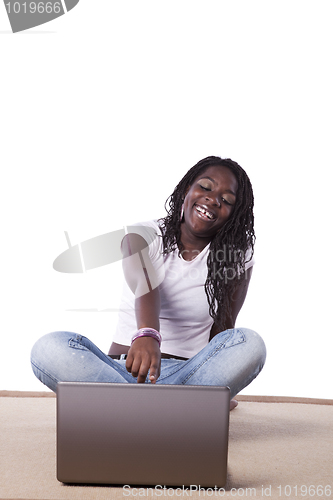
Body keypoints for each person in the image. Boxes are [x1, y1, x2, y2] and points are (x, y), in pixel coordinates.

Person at [31, 156, 266, 410]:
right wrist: (147, 334)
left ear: (234, 214)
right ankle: (181, 412)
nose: (213, 199)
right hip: (121, 373)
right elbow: (144, 283)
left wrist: (221, 381)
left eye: (227, 200)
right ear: (187, 189)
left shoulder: (237, 255)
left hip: (189, 376)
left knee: (249, 343)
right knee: (48, 348)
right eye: (205, 187)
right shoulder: (142, 234)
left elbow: (225, 326)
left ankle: (128, 412)